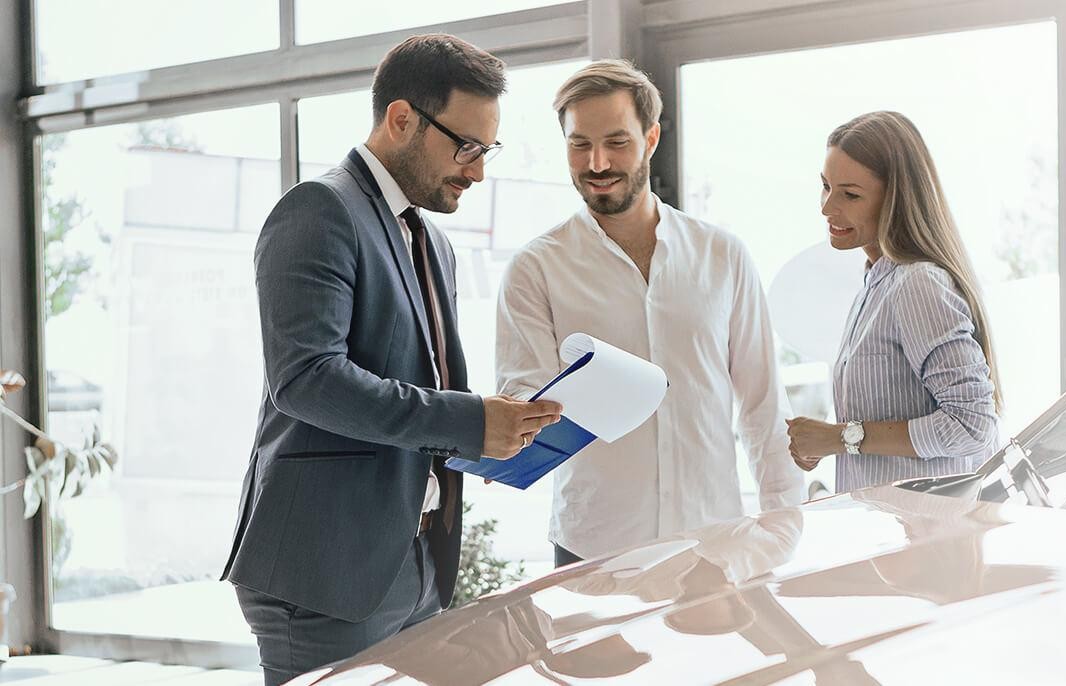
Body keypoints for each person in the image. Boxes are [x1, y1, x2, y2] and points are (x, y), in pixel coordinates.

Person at [223, 34, 563, 685]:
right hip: (327, 571)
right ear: (402, 118)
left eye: (487, 151)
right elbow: (307, 379)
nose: (478, 170)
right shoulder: (318, 210)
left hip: (416, 561)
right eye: (466, 147)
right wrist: (467, 421)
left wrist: (491, 435)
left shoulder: (432, 241)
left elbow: (415, 393)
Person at [496, 59, 803, 568]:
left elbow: (763, 404)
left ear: (652, 137)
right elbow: (523, 399)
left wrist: (780, 529)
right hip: (593, 550)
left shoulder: (722, 255)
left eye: (617, 142)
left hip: (715, 544)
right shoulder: (536, 267)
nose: (597, 163)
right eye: (579, 144)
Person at [786, 111, 1003, 492]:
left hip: (926, 539)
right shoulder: (875, 283)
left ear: (895, 200)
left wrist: (842, 438)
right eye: (826, 186)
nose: (827, 207)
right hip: (890, 533)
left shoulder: (918, 285)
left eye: (850, 194)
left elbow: (972, 424)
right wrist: (829, 442)